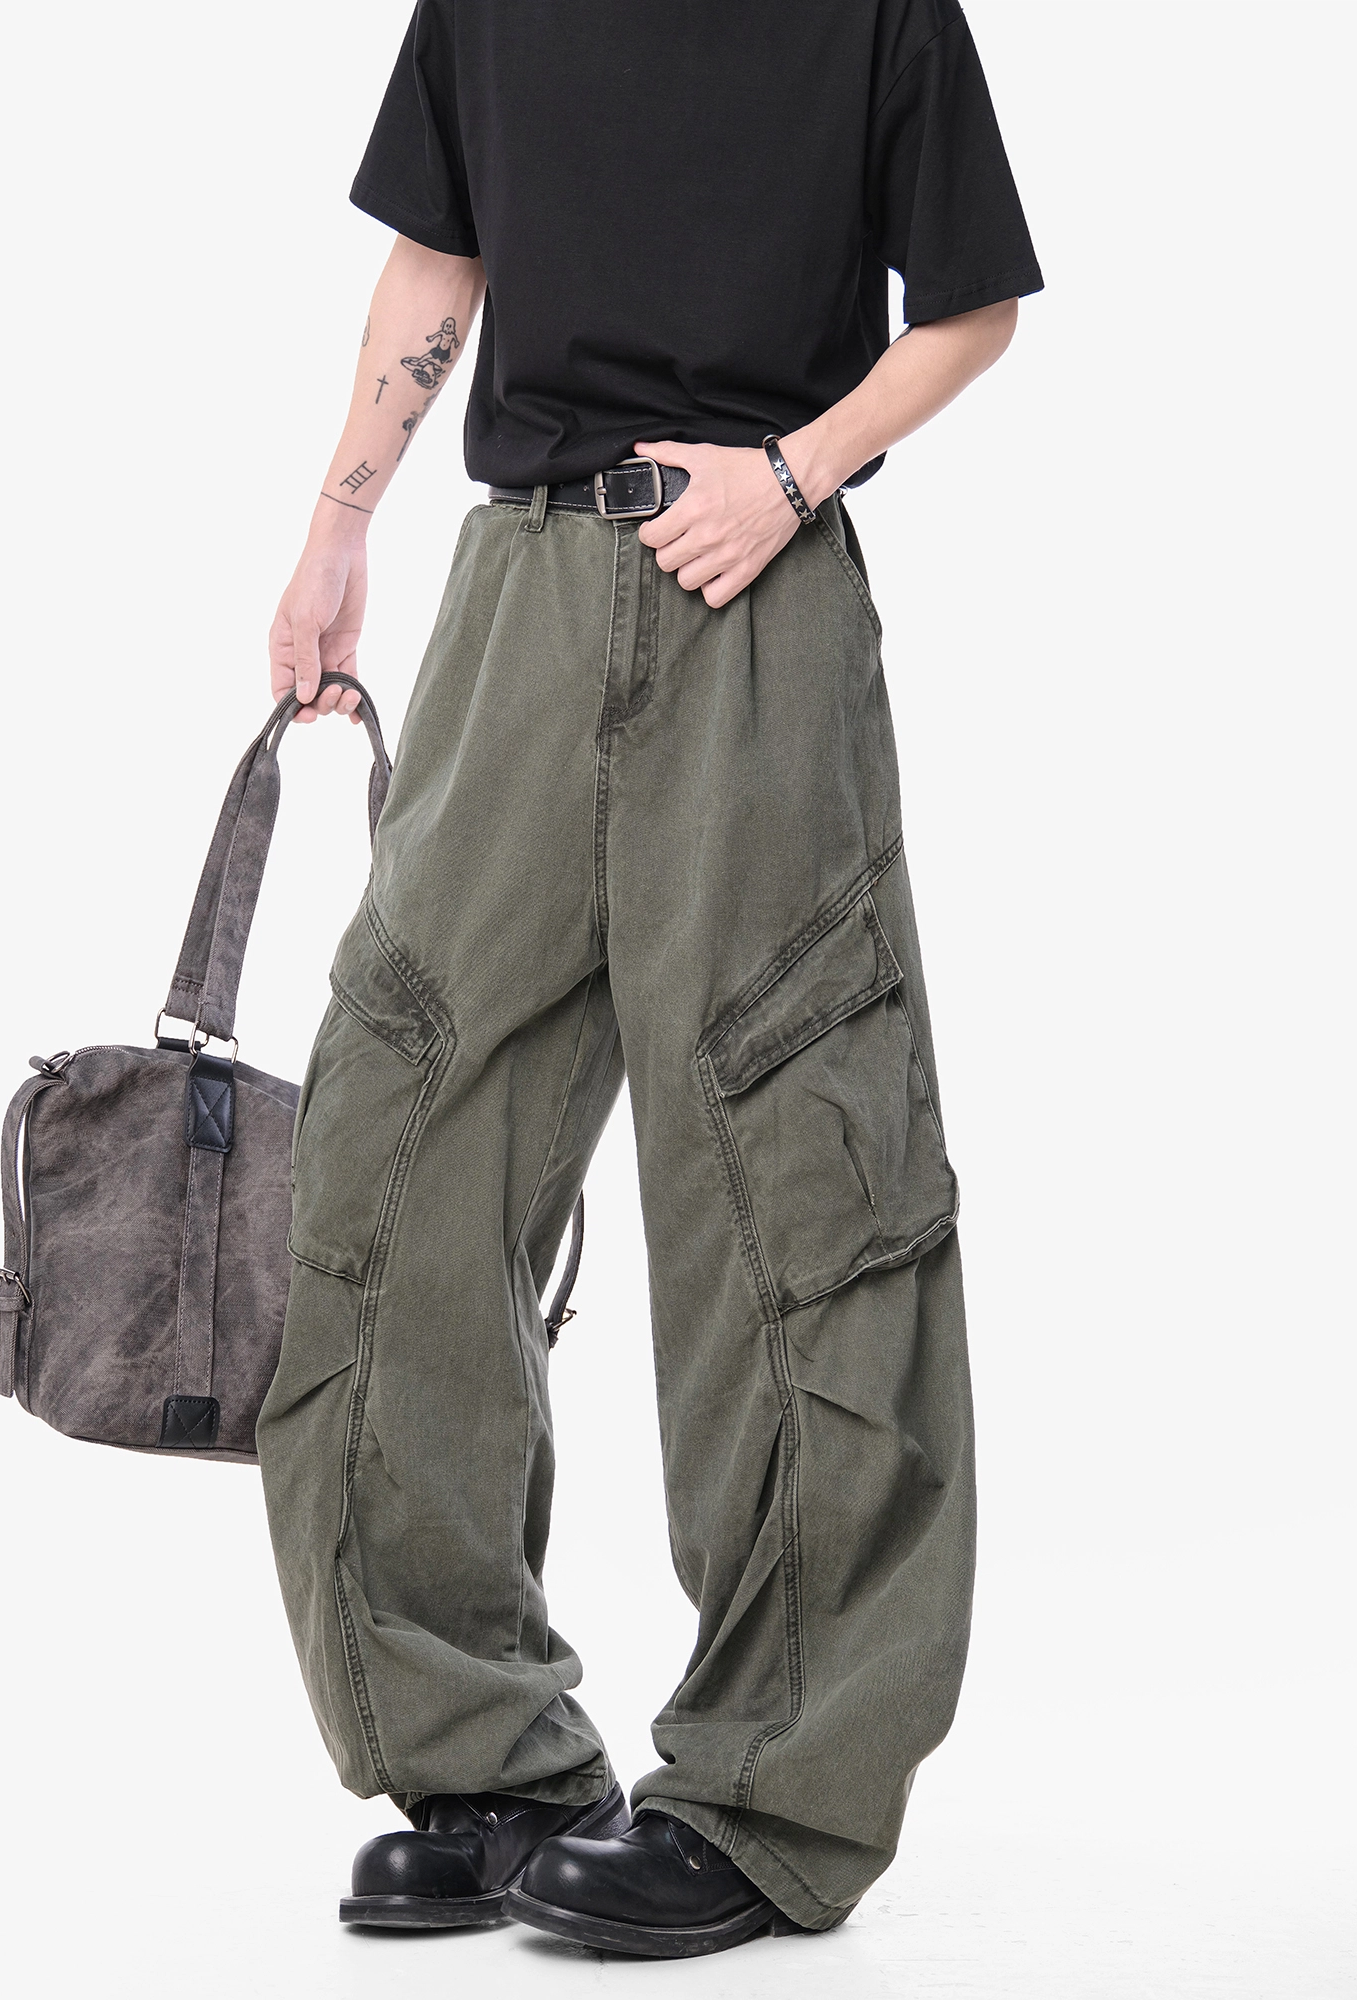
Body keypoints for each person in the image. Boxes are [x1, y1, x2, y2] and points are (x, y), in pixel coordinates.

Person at [256, 0, 1041, 1959]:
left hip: (753, 592)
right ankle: (483, 1749)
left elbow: (971, 307)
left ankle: (773, 1791)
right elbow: (437, 261)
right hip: (513, 593)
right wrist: (337, 526)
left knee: (792, 1163)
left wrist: (796, 472)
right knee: (399, 1132)